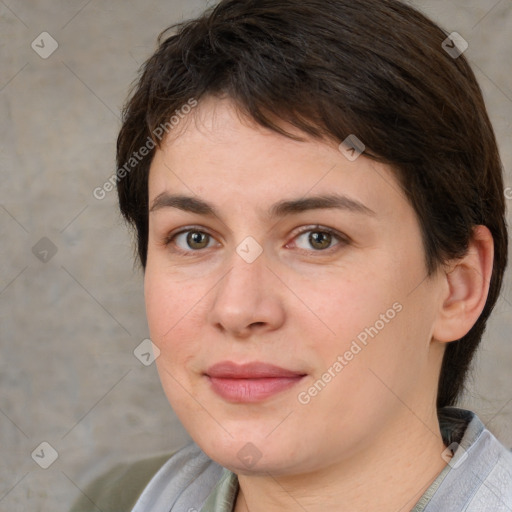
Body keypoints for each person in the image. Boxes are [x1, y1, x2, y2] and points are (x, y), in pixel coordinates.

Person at [72, 0, 512, 510]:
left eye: (318, 238)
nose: (236, 309)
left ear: (458, 287)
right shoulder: (117, 500)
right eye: (194, 237)